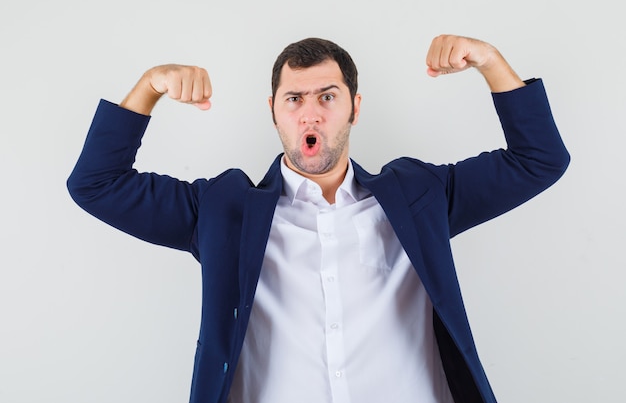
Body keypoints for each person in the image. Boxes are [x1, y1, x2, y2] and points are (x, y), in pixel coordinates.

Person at [67, 35, 569, 403]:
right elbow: (96, 184)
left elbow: (539, 159)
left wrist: (491, 62)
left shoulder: (420, 197)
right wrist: (148, 88)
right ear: (274, 111)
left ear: (354, 107)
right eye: (295, 99)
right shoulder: (223, 212)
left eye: (328, 97)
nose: (311, 115)